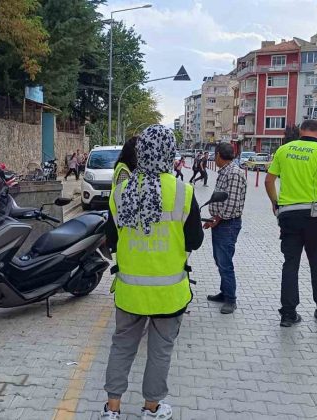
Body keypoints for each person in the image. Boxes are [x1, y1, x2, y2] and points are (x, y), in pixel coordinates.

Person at [101, 125, 204, 420]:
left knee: (122, 346)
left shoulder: (121, 192)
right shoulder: (183, 192)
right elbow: (195, 240)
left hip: (129, 291)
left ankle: (112, 409)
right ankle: (151, 408)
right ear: (170, 154)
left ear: (141, 152)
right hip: (169, 294)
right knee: (160, 351)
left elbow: (111, 240)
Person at [264, 119, 317, 327]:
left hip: (288, 216)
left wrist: (275, 203)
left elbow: (269, 181)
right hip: (315, 217)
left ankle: (288, 314)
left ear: (299, 132)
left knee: (290, 264)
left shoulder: (284, 150)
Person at [204, 143, 247, 314]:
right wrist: (213, 218)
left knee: (225, 262)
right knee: (220, 259)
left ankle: (231, 299)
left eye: (215, 155)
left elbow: (231, 204)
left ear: (219, 155)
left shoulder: (234, 174)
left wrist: (217, 219)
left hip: (228, 224)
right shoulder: (225, 172)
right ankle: (224, 292)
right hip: (221, 222)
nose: (214, 158)